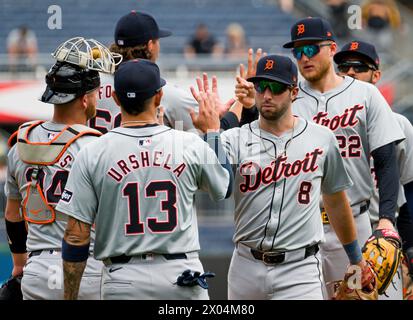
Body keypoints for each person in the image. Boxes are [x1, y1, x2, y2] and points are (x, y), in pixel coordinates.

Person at [236, 17, 405, 299]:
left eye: (312, 49)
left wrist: (386, 218)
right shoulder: (286, 96)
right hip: (302, 228)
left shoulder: (365, 95)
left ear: (332, 49)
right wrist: (249, 110)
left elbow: (386, 160)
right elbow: (254, 152)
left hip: (354, 219)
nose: (305, 57)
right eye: (298, 52)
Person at [198, 54, 375, 300]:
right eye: (261, 86)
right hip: (245, 266)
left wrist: (357, 259)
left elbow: (336, 201)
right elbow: (215, 186)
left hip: (299, 270)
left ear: (294, 92)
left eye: (277, 87)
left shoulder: (321, 138)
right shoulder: (234, 139)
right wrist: (212, 132)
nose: (267, 95)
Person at [56, 59, 233, 300]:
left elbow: (76, 236)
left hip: (123, 279)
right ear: (159, 97)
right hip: (180, 276)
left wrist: (70, 296)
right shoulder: (188, 144)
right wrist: (213, 132)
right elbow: (224, 188)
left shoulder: (92, 152)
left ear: (117, 99)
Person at [2, 37, 118, 300]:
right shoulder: (97, 146)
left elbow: (12, 213)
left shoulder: (21, 142)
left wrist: (20, 264)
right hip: (86, 267)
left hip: (37, 270)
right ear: (85, 100)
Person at [334, 40, 413, 300]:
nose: (350, 73)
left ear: (376, 75)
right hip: (329, 234)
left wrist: (409, 247)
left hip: (379, 237)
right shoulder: (323, 122)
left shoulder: (400, 125)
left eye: (359, 67)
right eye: (344, 67)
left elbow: (410, 190)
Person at [90, 11, 238, 134]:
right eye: (157, 40)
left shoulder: (91, 85)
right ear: (150, 45)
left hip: (96, 163)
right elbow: (215, 133)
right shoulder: (164, 93)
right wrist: (238, 107)